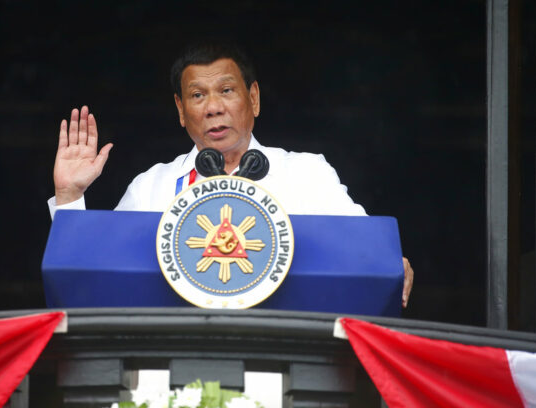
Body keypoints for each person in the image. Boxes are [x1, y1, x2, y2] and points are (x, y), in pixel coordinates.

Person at [47, 43, 414, 307]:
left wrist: (387, 263)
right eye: (197, 95)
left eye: (226, 90)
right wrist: (69, 199)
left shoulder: (307, 174)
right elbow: (94, 276)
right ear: (180, 109)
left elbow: (366, 254)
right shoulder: (152, 186)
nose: (214, 108)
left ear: (253, 98)